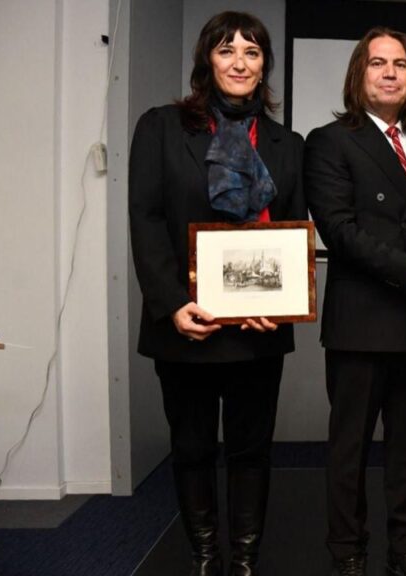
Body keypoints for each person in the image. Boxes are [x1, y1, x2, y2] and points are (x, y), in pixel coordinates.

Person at [128, 11, 307, 576]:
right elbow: (146, 219)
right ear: (207, 59)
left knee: (252, 449)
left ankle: (245, 559)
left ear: (264, 66)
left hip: (258, 331)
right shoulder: (161, 126)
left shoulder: (286, 142)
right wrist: (172, 303)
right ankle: (206, 556)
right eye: (227, 50)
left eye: (252, 53)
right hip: (187, 323)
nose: (239, 62)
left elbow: (292, 228)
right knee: (194, 447)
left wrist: (275, 307)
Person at [303, 27, 406, 576]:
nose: (391, 72)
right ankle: (347, 552)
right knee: (349, 450)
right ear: (360, 74)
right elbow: (339, 230)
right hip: (360, 322)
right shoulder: (328, 141)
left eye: (400, 63)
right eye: (379, 63)